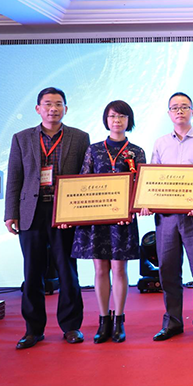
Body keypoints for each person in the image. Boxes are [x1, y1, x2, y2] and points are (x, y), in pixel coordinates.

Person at [4, 87, 90, 349]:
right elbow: (14, 177)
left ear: (66, 108)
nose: (53, 108)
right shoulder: (21, 138)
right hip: (31, 212)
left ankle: (71, 326)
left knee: (68, 271)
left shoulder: (79, 137)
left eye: (58, 104)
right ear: (38, 108)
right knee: (32, 273)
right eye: (48, 104)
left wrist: (85, 213)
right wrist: (10, 213)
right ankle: (33, 330)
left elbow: (86, 177)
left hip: (65, 212)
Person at [142, 92, 193, 341]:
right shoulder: (160, 143)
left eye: (185, 107)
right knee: (168, 271)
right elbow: (152, 179)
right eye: (175, 107)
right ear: (169, 113)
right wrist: (146, 202)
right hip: (167, 217)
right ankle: (172, 322)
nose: (180, 111)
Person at [71, 100, 145, 343]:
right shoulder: (94, 150)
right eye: (113, 116)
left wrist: (133, 208)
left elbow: (142, 186)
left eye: (122, 116)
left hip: (123, 220)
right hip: (98, 219)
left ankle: (119, 320)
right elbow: (83, 182)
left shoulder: (136, 151)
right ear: (106, 119)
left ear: (128, 120)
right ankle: (103, 320)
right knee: (100, 269)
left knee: (119, 269)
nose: (117, 121)